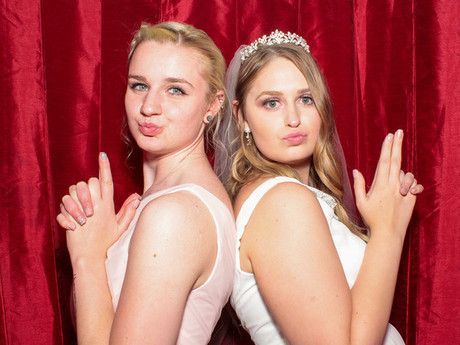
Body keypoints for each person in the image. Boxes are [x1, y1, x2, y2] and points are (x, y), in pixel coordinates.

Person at [214, 30, 424, 344]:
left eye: (306, 98)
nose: (294, 118)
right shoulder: (282, 202)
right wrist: (387, 232)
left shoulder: (285, 196)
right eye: (271, 103)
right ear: (241, 116)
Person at [56, 22, 235, 345]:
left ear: (212, 105)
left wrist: (88, 260)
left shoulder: (176, 215)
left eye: (175, 90)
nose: (148, 107)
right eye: (139, 86)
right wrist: (101, 247)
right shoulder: (162, 202)